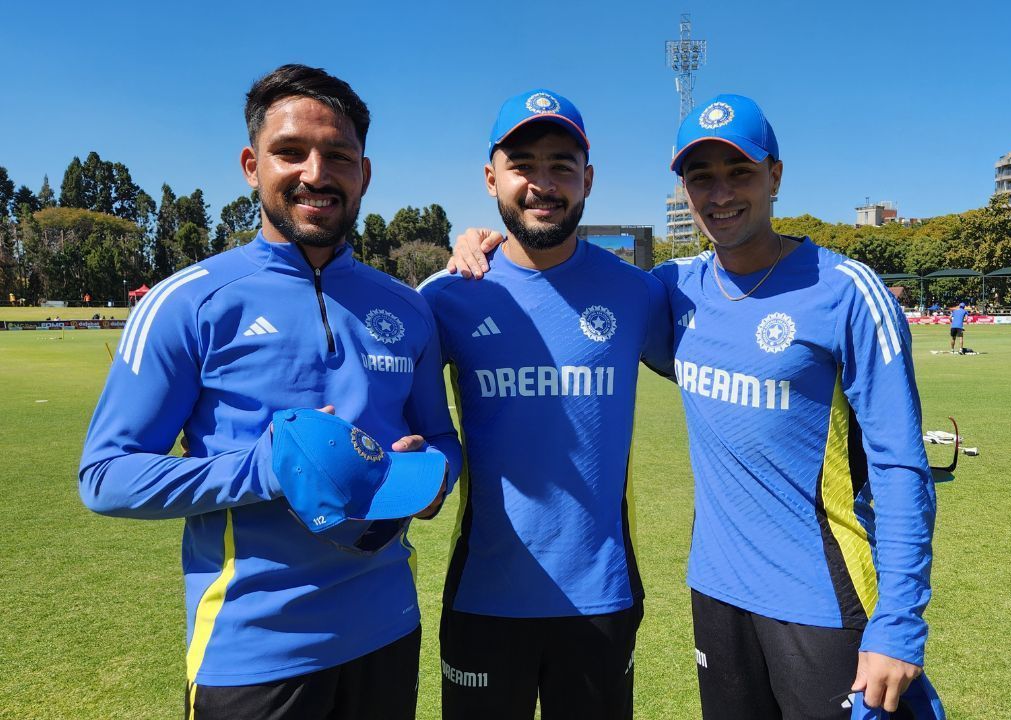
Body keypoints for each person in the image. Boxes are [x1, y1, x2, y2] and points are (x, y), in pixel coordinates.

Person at [449, 94, 938, 719]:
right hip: (716, 596)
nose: (721, 193)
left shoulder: (844, 291)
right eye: (700, 177)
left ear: (776, 177)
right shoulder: (676, 291)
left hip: (825, 597)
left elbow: (901, 467)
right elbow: (552, 289)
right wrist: (480, 240)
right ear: (683, 190)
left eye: (740, 172)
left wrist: (898, 624)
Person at [79, 64, 461, 720]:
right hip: (252, 654)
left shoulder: (407, 308)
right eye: (290, 152)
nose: (316, 173)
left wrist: (427, 479)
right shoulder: (189, 302)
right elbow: (105, 477)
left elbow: (444, 442)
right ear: (252, 165)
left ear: (363, 173)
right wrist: (261, 470)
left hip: (389, 630)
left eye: (338, 155)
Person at [417, 89, 672, 720]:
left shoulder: (638, 293)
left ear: (587, 178)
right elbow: (396, 411)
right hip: (484, 593)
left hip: (602, 597)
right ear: (491, 177)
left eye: (562, 165)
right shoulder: (447, 295)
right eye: (523, 164)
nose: (543, 183)